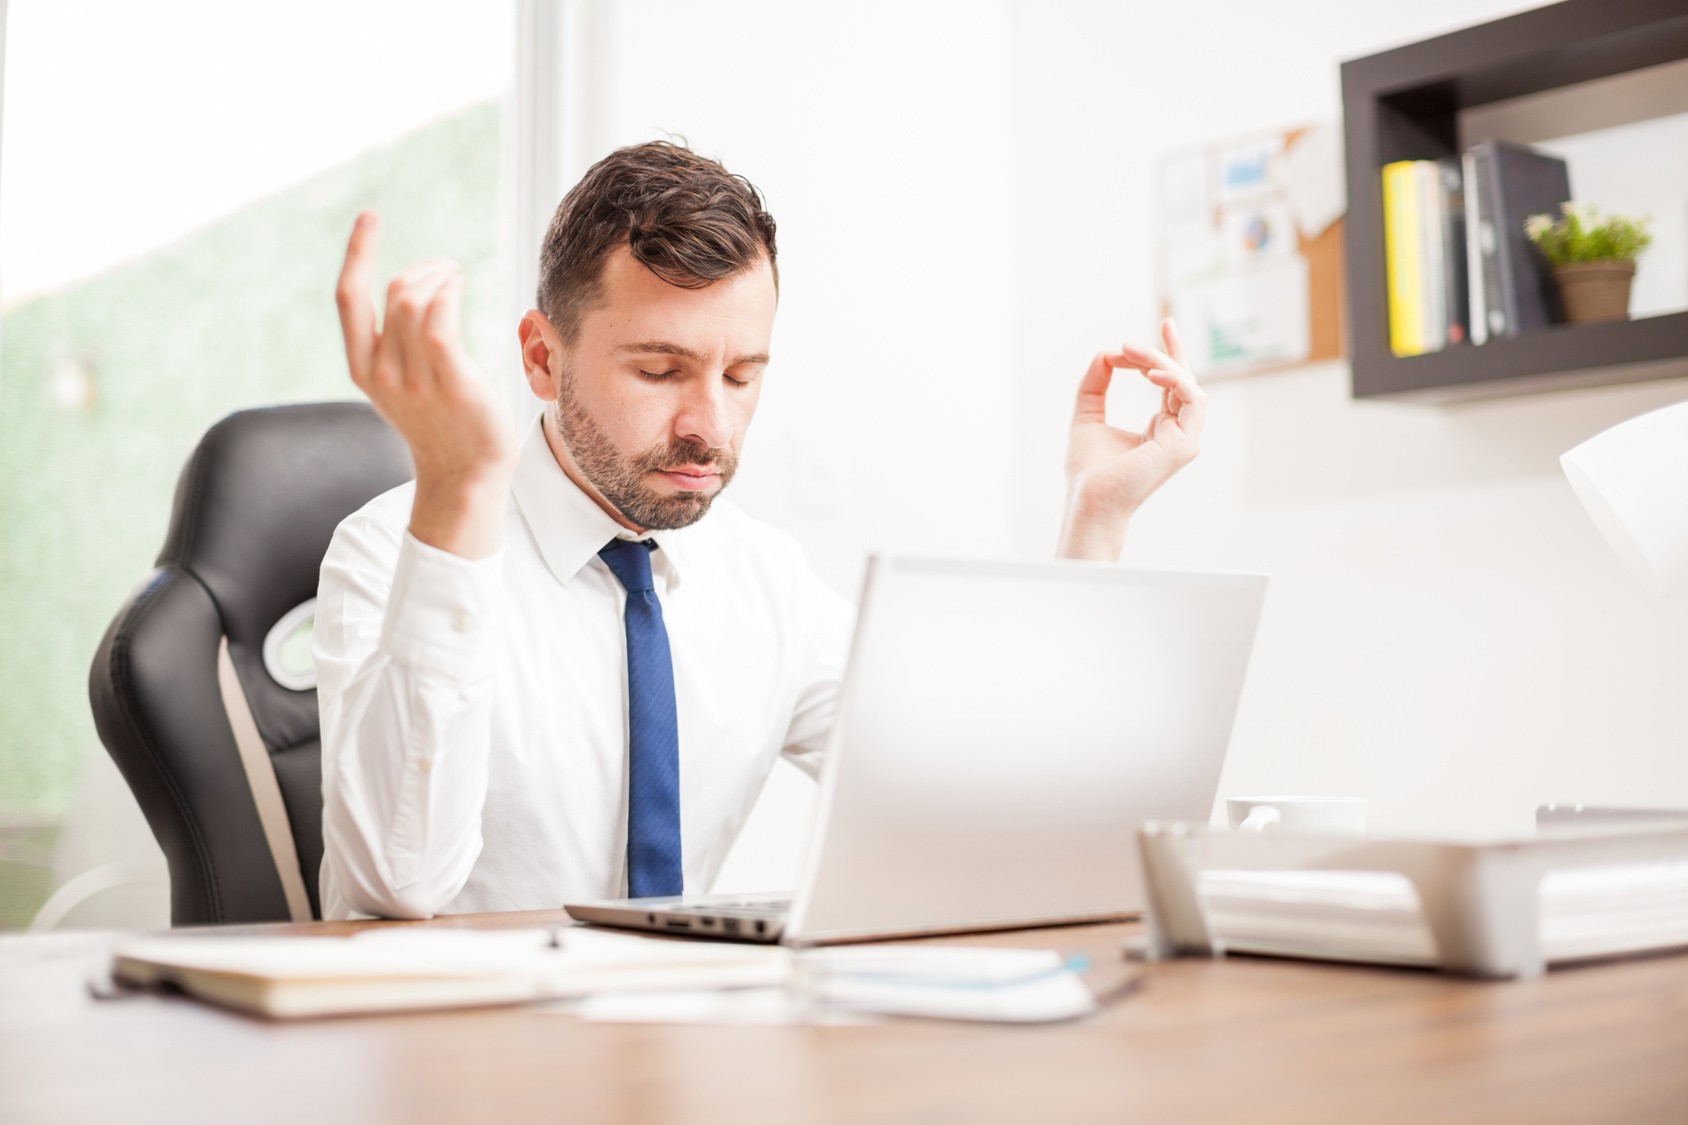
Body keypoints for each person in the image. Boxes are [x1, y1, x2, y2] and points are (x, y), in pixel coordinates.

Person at [316, 141, 1205, 920]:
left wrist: (1097, 519)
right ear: (544, 358)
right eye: (661, 369)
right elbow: (399, 884)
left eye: (743, 375)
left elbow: (994, 802)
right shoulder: (392, 550)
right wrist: (459, 491)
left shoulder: (761, 578)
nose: (712, 423)